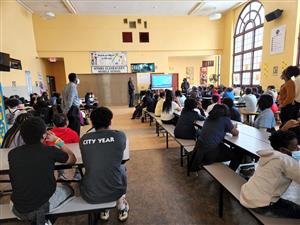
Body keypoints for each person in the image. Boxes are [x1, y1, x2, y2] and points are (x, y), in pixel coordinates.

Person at [9, 117, 76, 225]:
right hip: (42, 207)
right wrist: (57, 141)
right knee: (69, 189)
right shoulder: (50, 151)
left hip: (16, 208)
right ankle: (46, 220)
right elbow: (72, 159)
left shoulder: (12, 154)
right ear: (44, 135)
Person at [80, 107, 130, 221]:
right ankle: (121, 206)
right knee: (121, 168)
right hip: (115, 192)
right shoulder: (119, 136)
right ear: (110, 121)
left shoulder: (84, 139)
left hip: (90, 194)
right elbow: (119, 156)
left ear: (92, 123)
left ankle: (104, 209)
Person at [240, 130, 300, 219]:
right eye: (295, 147)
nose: (298, 149)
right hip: (261, 205)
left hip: (247, 195)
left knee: (289, 205)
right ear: (283, 150)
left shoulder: (269, 154)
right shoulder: (285, 160)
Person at [189, 104, 241, 172]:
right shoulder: (225, 119)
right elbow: (236, 133)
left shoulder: (208, 118)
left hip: (200, 149)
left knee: (222, 146)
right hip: (210, 153)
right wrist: (229, 127)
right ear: (226, 111)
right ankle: (229, 174)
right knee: (238, 155)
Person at [46, 113, 81, 181]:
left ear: (53, 124)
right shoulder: (73, 133)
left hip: (55, 160)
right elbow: (78, 146)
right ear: (67, 123)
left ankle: (61, 174)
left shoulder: (50, 135)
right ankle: (77, 173)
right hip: (72, 158)